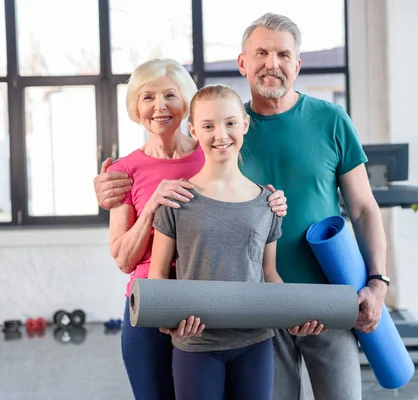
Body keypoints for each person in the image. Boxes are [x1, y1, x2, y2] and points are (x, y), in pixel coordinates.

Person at [94, 13, 388, 400]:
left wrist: (378, 282)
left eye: (283, 54)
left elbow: (365, 208)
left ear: (297, 64)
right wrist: (108, 186)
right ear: (242, 63)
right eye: (261, 52)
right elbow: (162, 180)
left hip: (319, 297)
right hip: (245, 308)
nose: (272, 63)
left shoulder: (322, 121)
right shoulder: (220, 132)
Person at [101, 59, 288, 400]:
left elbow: (250, 199)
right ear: (135, 107)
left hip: (215, 307)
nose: (159, 106)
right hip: (154, 302)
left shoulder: (211, 150)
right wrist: (153, 206)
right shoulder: (122, 170)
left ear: (185, 102)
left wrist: (275, 202)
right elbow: (123, 259)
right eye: (147, 97)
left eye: (170, 95)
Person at [148, 83, 324, 400]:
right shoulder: (176, 199)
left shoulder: (268, 202)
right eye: (208, 125)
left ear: (244, 124)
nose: (221, 135)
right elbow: (157, 276)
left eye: (230, 123)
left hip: (255, 343)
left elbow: (269, 275)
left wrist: (294, 315)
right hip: (196, 343)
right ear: (193, 130)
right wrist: (168, 322)